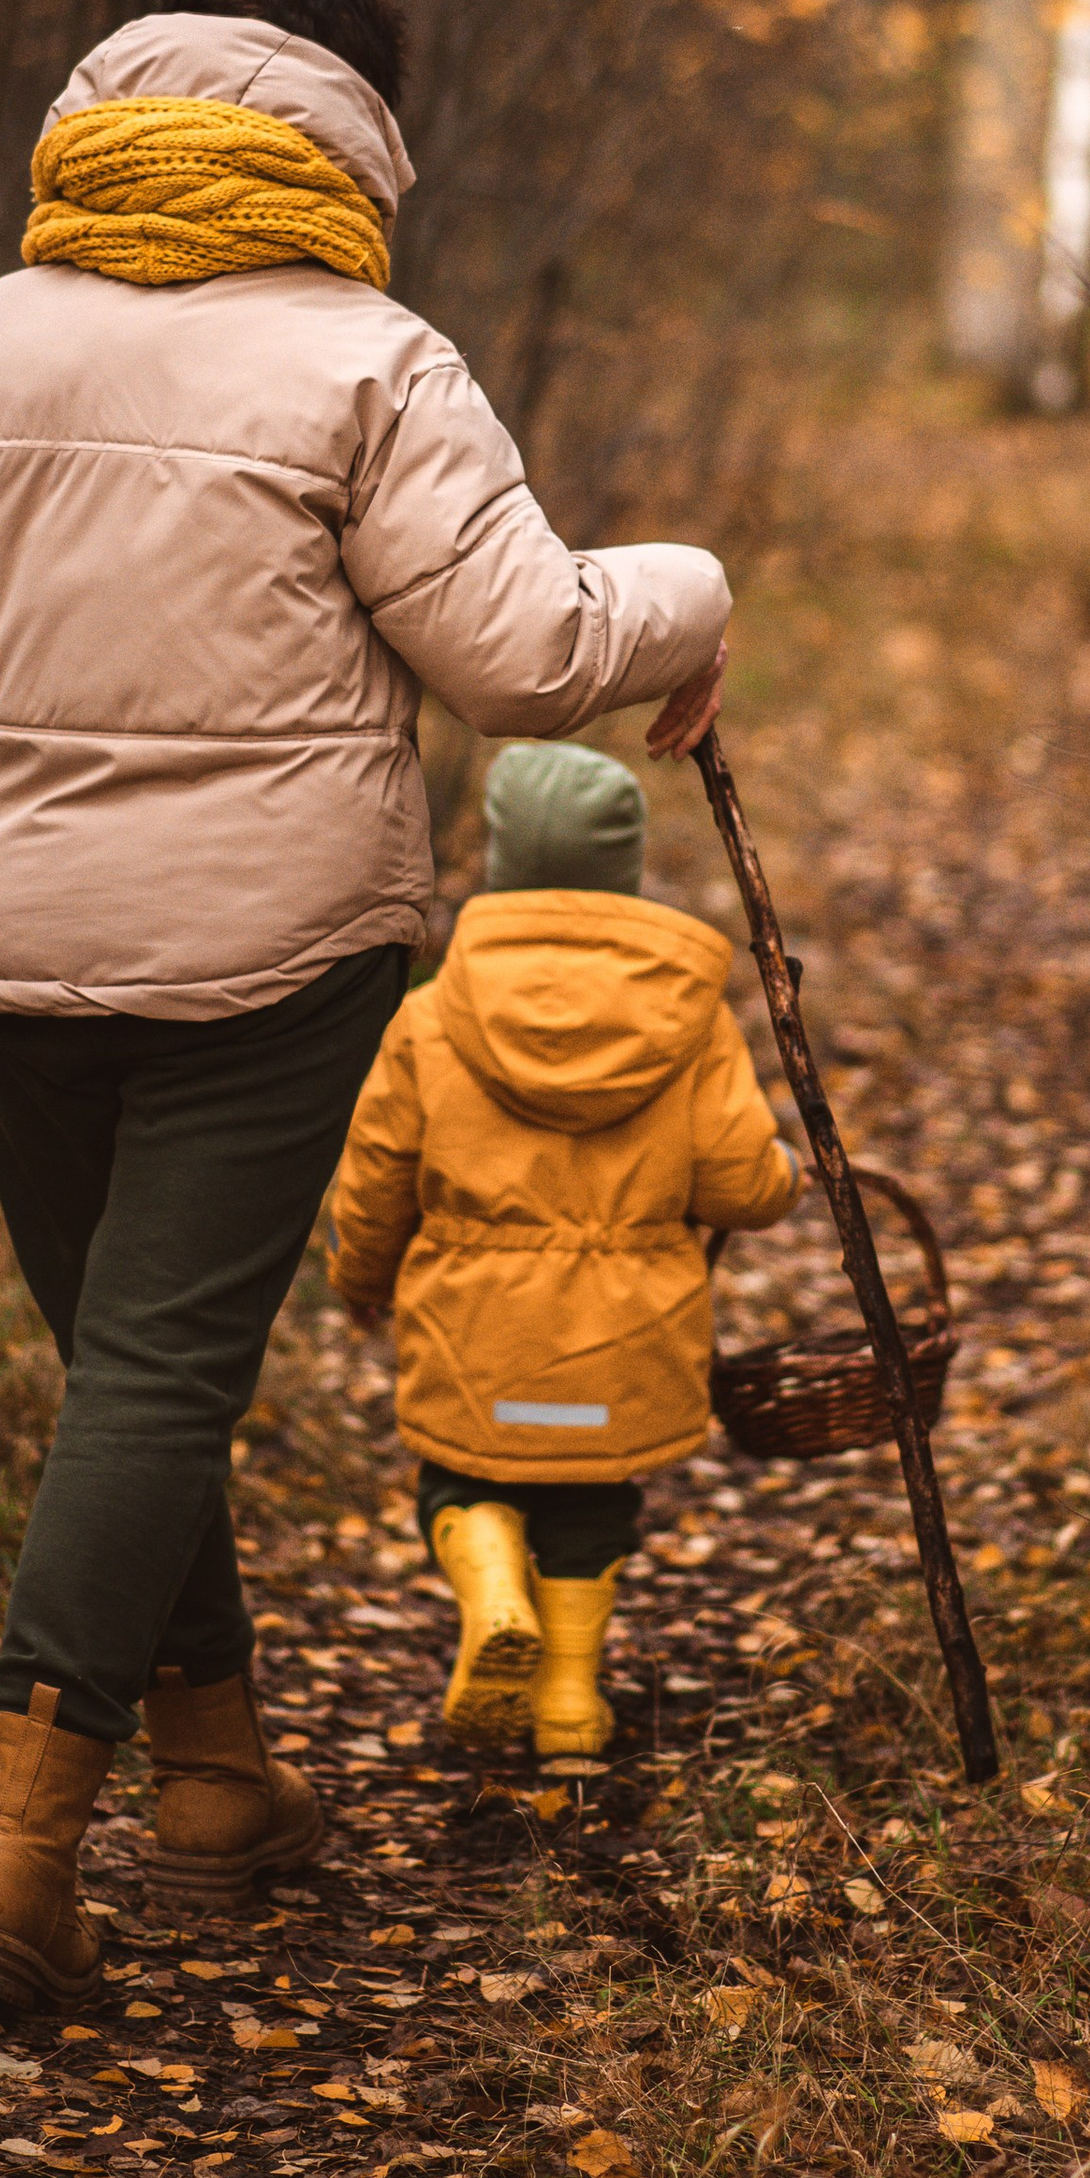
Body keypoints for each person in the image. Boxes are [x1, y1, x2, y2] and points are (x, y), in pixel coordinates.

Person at [0, 0, 729, 2012]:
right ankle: (10, 1870)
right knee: (154, 1375)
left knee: (131, 1367)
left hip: (3, 950)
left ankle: (214, 1793)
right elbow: (527, 659)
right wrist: (695, 594)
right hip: (275, 959)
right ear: (353, 126)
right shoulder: (367, 359)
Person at [325, 739, 796, 1759]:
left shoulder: (429, 1017)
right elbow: (740, 1186)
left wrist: (358, 1279)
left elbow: (374, 1176)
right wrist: (785, 1173)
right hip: (623, 1343)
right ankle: (572, 1705)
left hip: (475, 1337)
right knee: (592, 1497)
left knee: (464, 1475)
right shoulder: (689, 1015)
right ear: (618, 869)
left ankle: (493, 1590)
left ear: (501, 862)